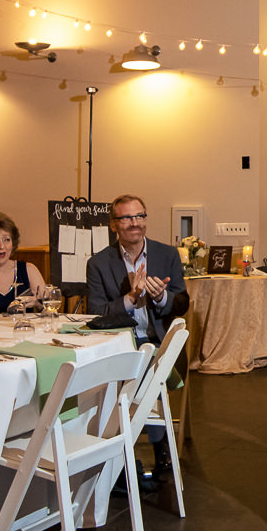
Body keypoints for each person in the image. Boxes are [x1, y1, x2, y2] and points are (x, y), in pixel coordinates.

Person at [85, 194, 187, 492]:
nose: (135, 223)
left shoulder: (167, 254)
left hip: (156, 341)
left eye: (139, 216)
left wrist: (161, 297)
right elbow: (95, 313)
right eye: (127, 218)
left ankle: (132, 456)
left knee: (145, 364)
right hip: (120, 343)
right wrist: (130, 299)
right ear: (114, 224)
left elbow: (182, 302)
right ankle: (141, 452)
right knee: (131, 369)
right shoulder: (99, 263)